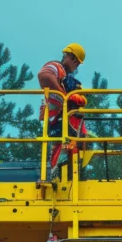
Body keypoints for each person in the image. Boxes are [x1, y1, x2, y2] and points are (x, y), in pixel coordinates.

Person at [37, 43, 87, 178]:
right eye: (76, 63)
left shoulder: (64, 75)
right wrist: (63, 94)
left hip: (60, 120)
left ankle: (63, 174)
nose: (76, 66)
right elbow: (43, 75)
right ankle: (57, 174)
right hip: (56, 120)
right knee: (61, 147)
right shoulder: (57, 67)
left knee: (68, 145)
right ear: (71, 57)